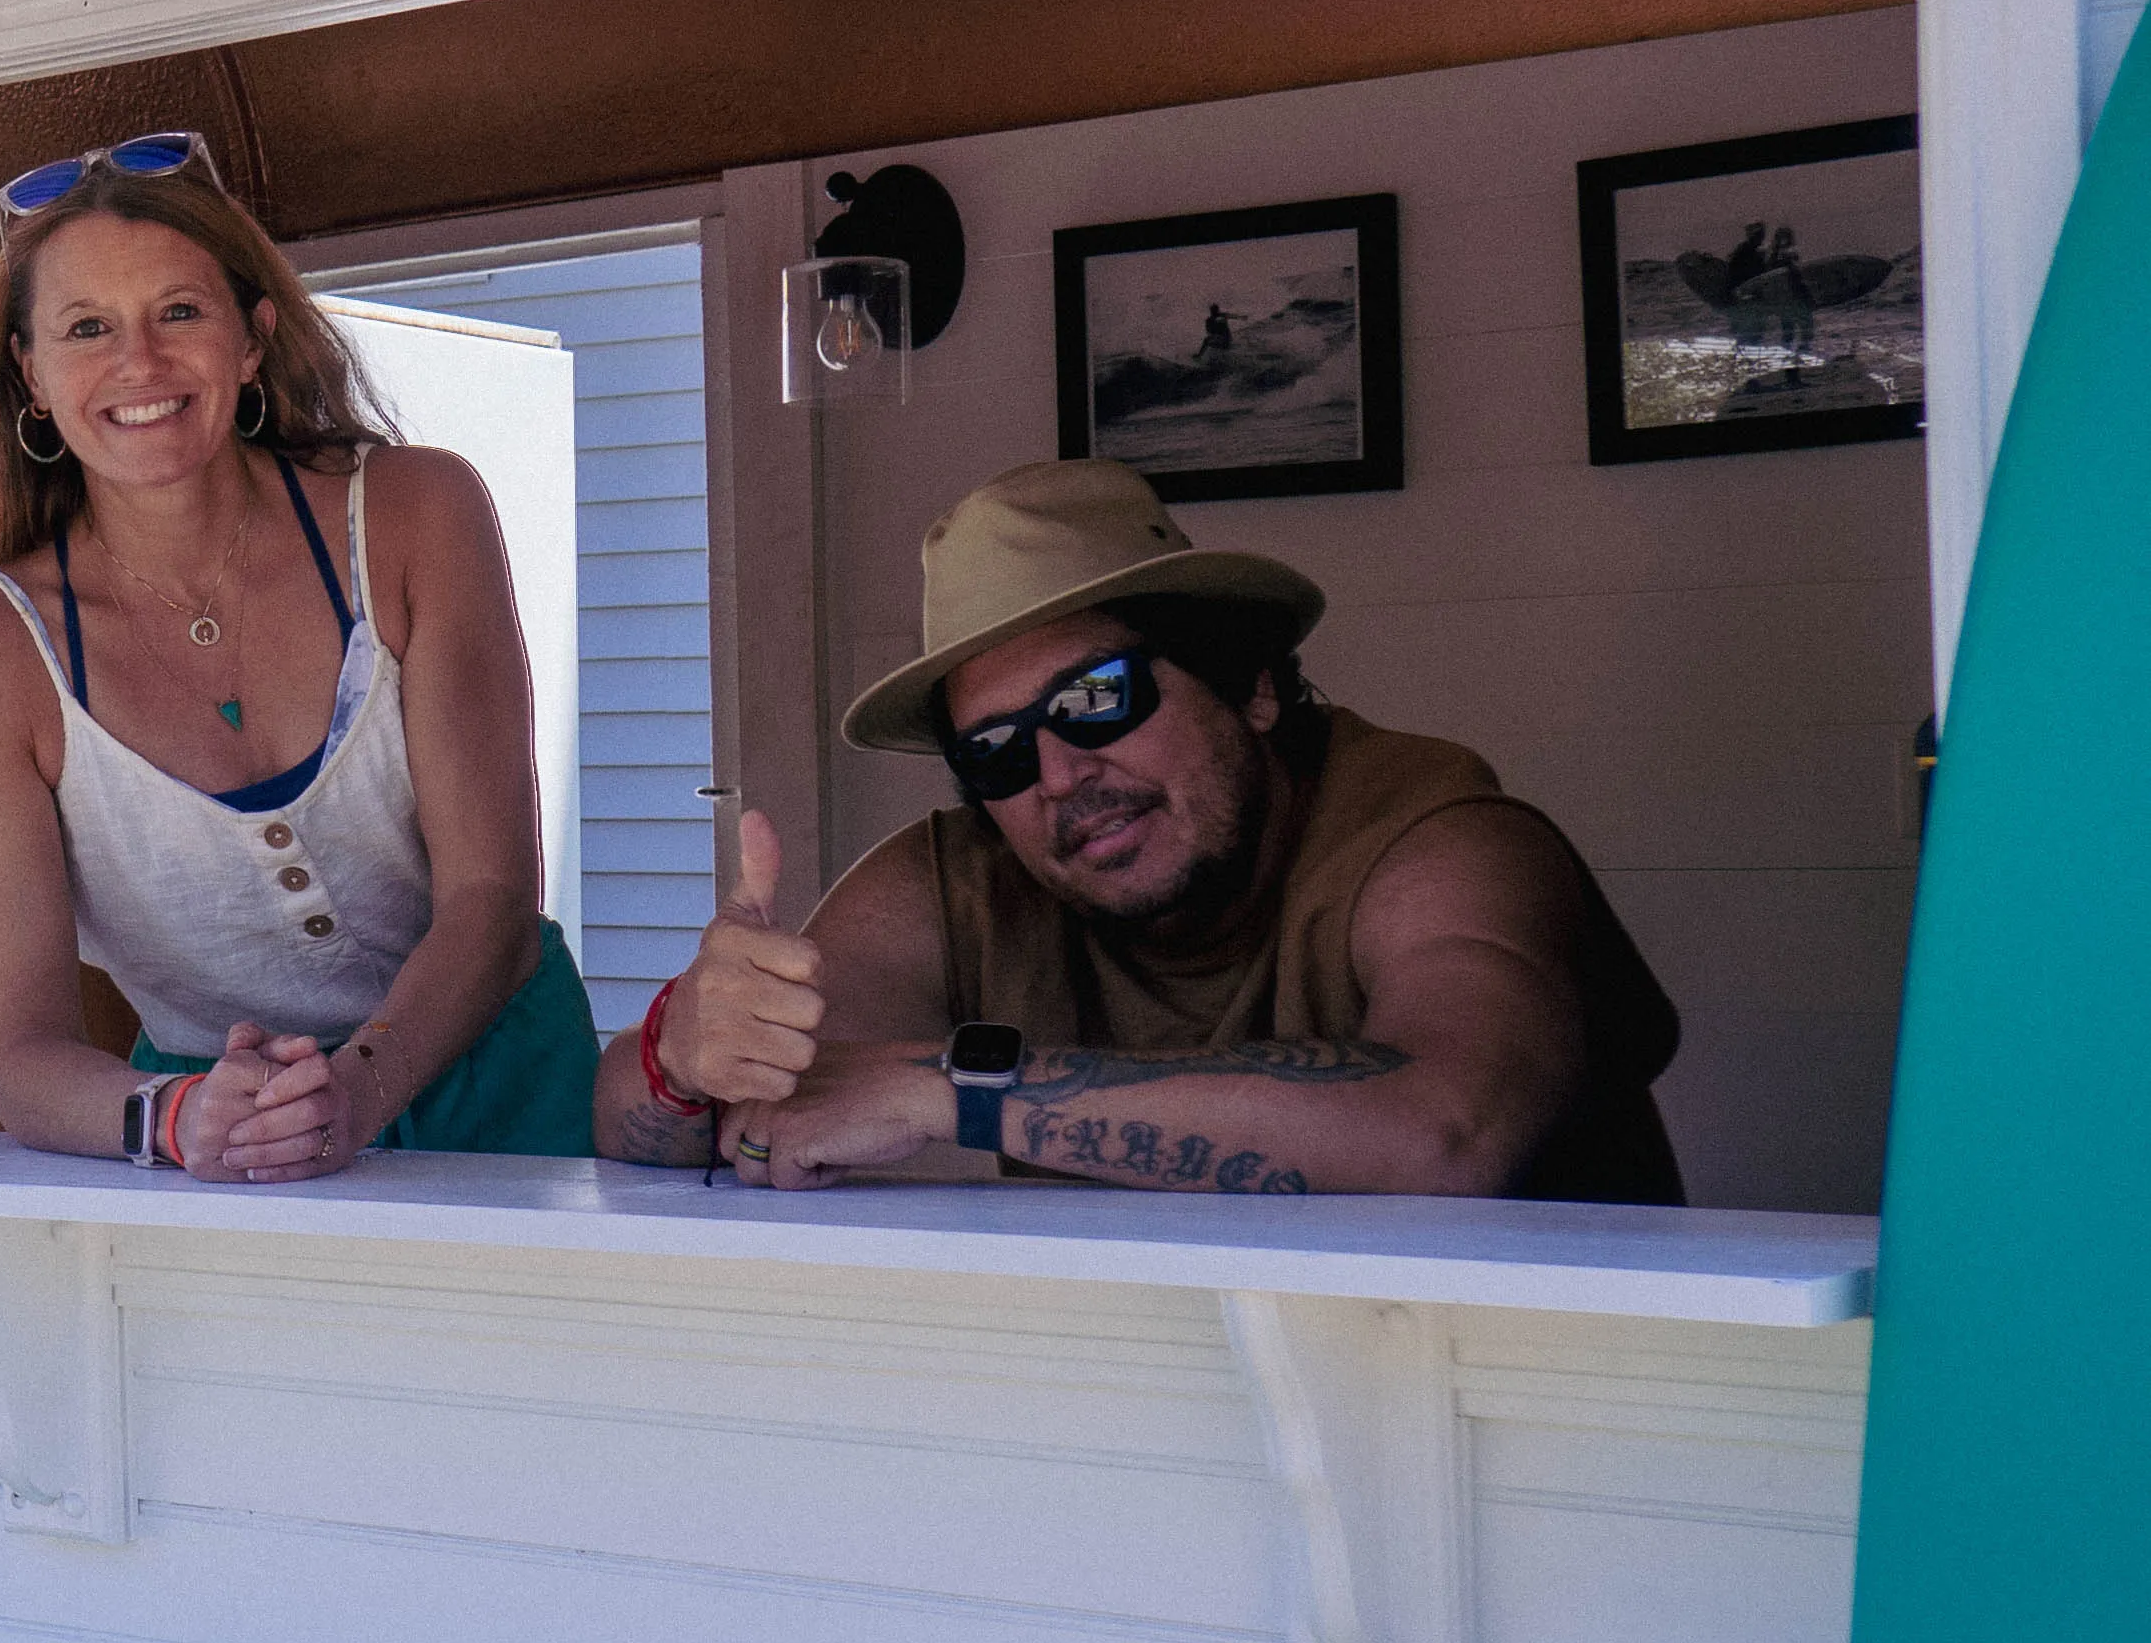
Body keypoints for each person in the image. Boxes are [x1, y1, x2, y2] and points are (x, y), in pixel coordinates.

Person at [602, 458, 1683, 1199]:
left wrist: (958, 1091)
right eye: (999, 749)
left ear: (1253, 687)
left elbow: (1451, 1129)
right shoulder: (959, 880)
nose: (1063, 774)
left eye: (1096, 699)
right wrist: (685, 1053)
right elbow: (679, 1124)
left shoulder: (1440, 837)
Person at [0, 133, 599, 1178]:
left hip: (513, 1099)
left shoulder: (417, 511)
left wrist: (350, 1095)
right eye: (86, 327)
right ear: (30, 374)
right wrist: (177, 1118)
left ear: (253, 335)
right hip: (222, 1145)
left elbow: (492, 902)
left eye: (179, 310)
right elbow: (23, 1053)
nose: (138, 362)